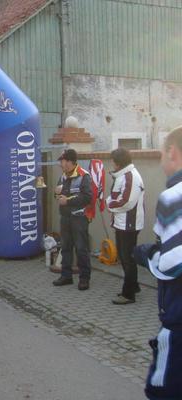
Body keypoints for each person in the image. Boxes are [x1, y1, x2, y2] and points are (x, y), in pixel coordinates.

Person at [134, 126, 182, 400]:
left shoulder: (173, 196)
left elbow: (172, 264)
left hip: (178, 321)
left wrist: (148, 254)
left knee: (161, 391)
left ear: (172, 152)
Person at [105, 148, 144, 305]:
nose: (112, 164)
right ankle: (133, 286)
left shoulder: (130, 176)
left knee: (127, 258)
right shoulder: (123, 175)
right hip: (122, 223)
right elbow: (116, 196)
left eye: (113, 161)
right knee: (125, 257)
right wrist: (111, 202)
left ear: (119, 162)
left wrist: (109, 205)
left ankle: (128, 295)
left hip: (129, 223)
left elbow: (127, 201)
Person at [52, 148, 93, 291]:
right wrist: (56, 194)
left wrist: (67, 201)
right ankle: (66, 276)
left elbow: (87, 197)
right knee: (66, 248)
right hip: (65, 217)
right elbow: (58, 196)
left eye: (62, 161)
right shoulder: (63, 176)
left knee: (81, 249)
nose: (61, 164)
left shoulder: (84, 176)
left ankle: (84, 279)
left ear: (69, 161)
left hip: (79, 218)